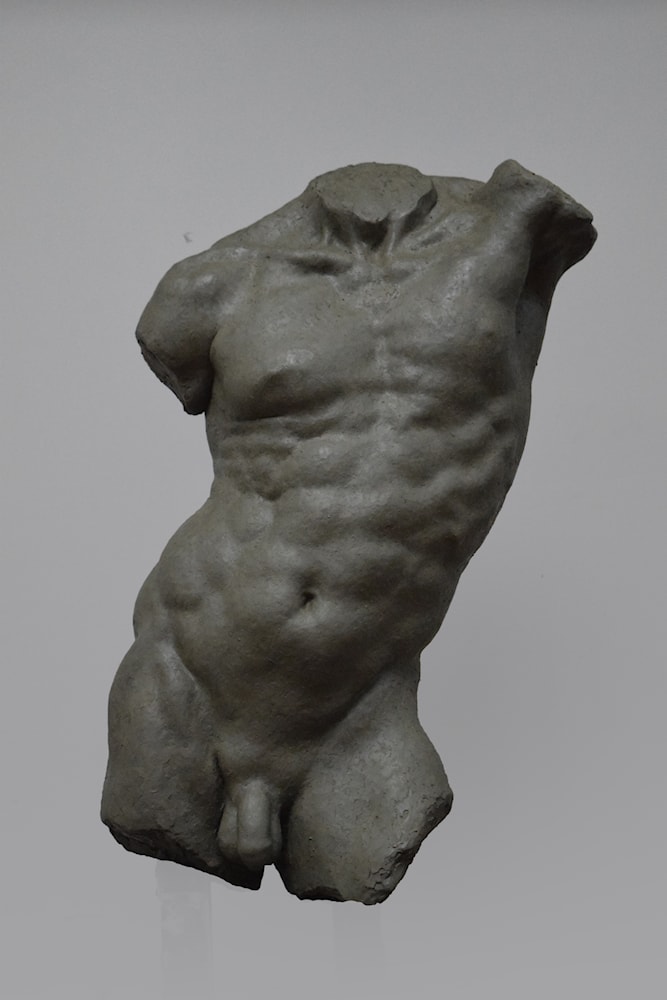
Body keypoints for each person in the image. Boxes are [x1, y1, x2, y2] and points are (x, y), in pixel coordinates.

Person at [102, 161, 596, 903]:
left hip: (363, 700)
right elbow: (173, 353)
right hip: (195, 659)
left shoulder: (515, 226)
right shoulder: (214, 283)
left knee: (359, 870)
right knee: (174, 897)